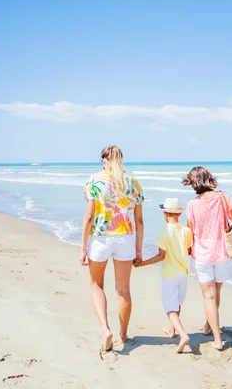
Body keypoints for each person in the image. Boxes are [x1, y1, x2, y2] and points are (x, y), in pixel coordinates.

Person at [79, 145, 144, 356]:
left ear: (103, 160)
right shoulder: (132, 182)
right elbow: (139, 220)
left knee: (96, 284)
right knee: (123, 289)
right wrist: (139, 249)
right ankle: (123, 335)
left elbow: (89, 217)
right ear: (121, 160)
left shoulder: (94, 180)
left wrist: (83, 248)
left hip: (100, 238)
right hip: (126, 238)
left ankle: (105, 329)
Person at [182, 166, 232, 350]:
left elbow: (190, 232)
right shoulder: (223, 197)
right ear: (209, 178)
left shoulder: (192, 204)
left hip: (201, 255)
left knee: (209, 297)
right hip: (221, 253)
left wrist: (186, 251)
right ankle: (209, 326)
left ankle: (216, 338)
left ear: (193, 183)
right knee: (216, 294)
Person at [133, 198, 193, 353]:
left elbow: (161, 256)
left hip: (169, 274)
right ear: (178, 214)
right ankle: (172, 330)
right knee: (177, 302)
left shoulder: (163, 232)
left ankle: (182, 334)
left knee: (169, 307)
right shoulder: (187, 231)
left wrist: (141, 263)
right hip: (183, 272)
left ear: (165, 214)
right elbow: (187, 251)